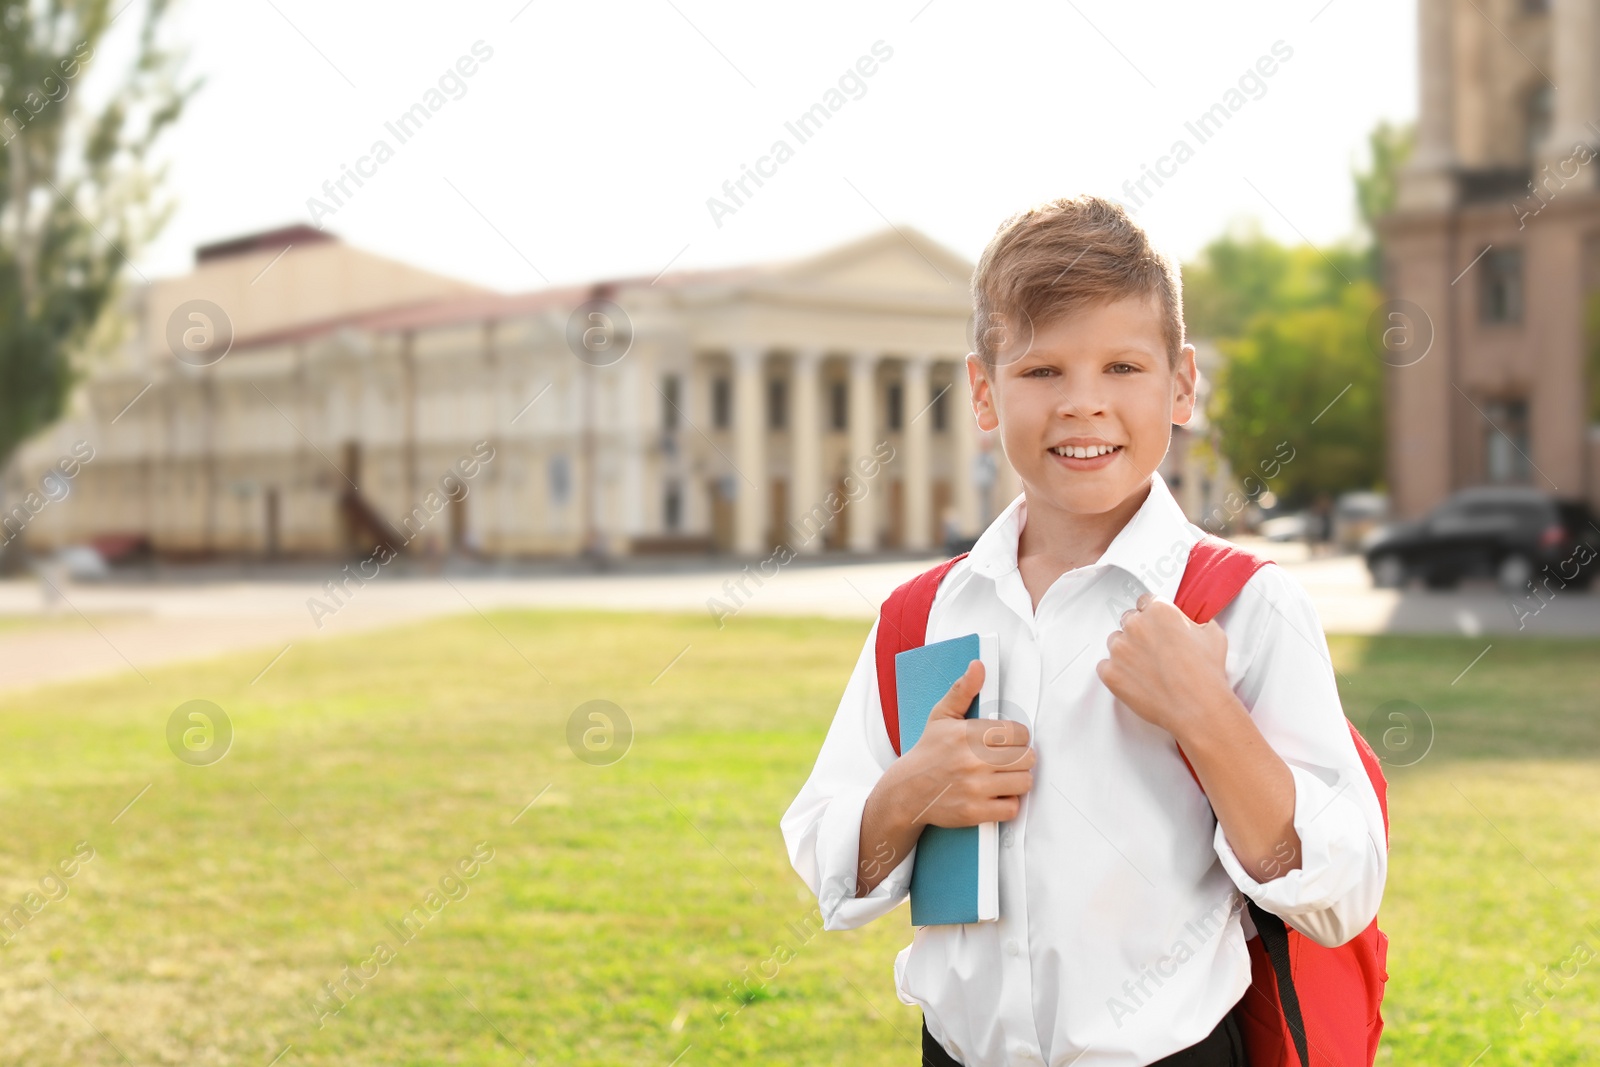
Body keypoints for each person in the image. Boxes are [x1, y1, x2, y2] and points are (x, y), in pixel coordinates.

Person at [780, 196, 1386, 1067]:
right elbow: (835, 872)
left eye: (1122, 367)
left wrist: (1208, 718)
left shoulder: (1244, 606)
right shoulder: (924, 617)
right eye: (1041, 373)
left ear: (1180, 386)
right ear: (985, 393)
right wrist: (908, 794)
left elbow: (1342, 892)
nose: (1083, 404)